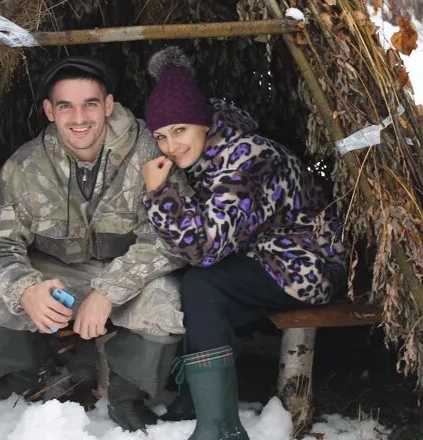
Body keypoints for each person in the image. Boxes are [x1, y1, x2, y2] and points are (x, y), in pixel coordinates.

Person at [0, 56, 185, 430]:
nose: (79, 118)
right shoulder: (26, 165)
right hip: (58, 274)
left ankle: (127, 396)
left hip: (130, 272)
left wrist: (107, 291)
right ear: (50, 110)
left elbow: (170, 238)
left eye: (90, 104)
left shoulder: (152, 150)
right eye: (66, 105)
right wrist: (27, 289)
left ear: (109, 105)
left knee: (165, 302)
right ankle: (14, 381)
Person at [140, 47, 347, 440]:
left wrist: (158, 195)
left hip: (305, 264)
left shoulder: (246, 158)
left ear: (203, 124)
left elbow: (204, 247)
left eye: (180, 130)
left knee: (202, 282)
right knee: (191, 278)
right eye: (162, 136)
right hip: (266, 255)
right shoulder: (211, 153)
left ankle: (220, 427)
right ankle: (194, 399)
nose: (171, 146)